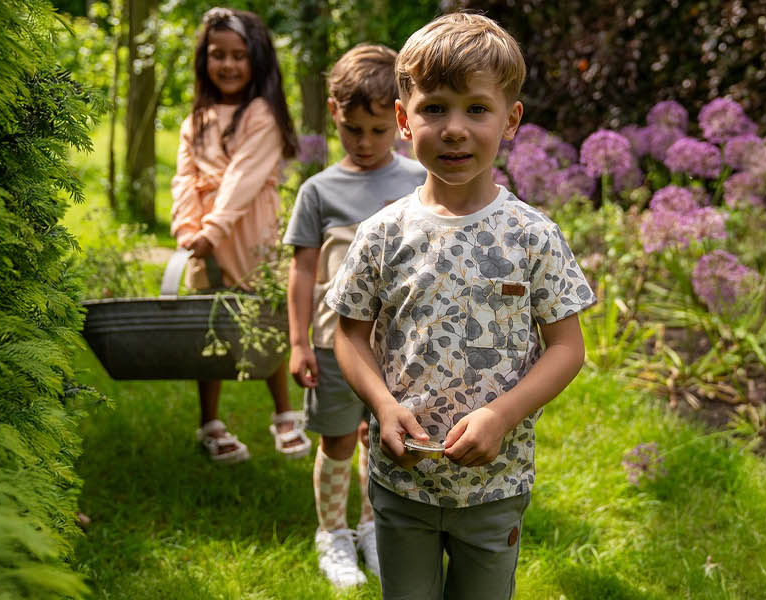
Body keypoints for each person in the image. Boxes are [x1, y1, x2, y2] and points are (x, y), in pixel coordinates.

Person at [325, 13, 595, 599]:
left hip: (495, 486)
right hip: (402, 482)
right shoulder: (382, 234)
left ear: (510, 120)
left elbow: (567, 348)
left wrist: (502, 415)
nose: (453, 129)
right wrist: (382, 406)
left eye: (476, 109)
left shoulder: (532, 236)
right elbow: (349, 334)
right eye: (434, 109)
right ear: (404, 119)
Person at [284, 44, 428, 588]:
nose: (364, 143)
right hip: (333, 346)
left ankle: (371, 527)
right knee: (339, 440)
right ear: (333, 114)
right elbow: (302, 272)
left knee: (383, 439)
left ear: (400, 118)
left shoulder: (419, 182)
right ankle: (332, 534)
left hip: (399, 347)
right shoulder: (318, 192)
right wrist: (299, 343)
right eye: (352, 130)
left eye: (377, 131)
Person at [170, 7, 308, 464]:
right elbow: (185, 179)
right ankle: (209, 421)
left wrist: (212, 229)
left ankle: (283, 413)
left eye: (238, 55)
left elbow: (242, 180)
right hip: (206, 236)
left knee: (263, 318)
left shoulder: (261, 114)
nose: (228, 65)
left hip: (249, 230)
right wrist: (188, 228)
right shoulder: (195, 119)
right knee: (208, 324)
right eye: (218, 55)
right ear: (204, 59)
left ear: (257, 59)